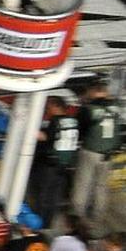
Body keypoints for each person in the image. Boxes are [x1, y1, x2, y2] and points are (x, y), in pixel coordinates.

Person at [72, 79, 123, 229]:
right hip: (108, 154)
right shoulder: (116, 108)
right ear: (105, 92)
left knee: (83, 184)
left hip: (90, 151)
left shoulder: (88, 109)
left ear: (94, 91)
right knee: (101, 186)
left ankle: (77, 217)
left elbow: (78, 129)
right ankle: (97, 218)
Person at [27, 96, 79, 230]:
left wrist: (29, 129)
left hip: (49, 166)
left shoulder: (55, 121)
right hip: (64, 166)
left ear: (56, 107)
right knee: (54, 198)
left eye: (48, 107)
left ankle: (39, 226)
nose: (47, 110)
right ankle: (48, 225)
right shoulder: (73, 121)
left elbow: (45, 137)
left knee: (42, 197)